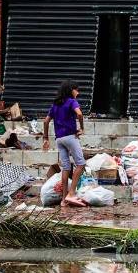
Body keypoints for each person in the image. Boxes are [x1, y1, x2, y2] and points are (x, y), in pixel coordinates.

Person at [42, 80, 87, 208]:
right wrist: (82, 128)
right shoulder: (72, 102)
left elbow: (46, 122)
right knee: (81, 164)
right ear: (71, 90)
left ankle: (63, 200)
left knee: (66, 167)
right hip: (70, 137)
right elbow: (79, 114)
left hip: (59, 139)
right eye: (76, 90)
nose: (78, 92)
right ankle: (71, 193)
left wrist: (45, 138)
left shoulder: (55, 104)